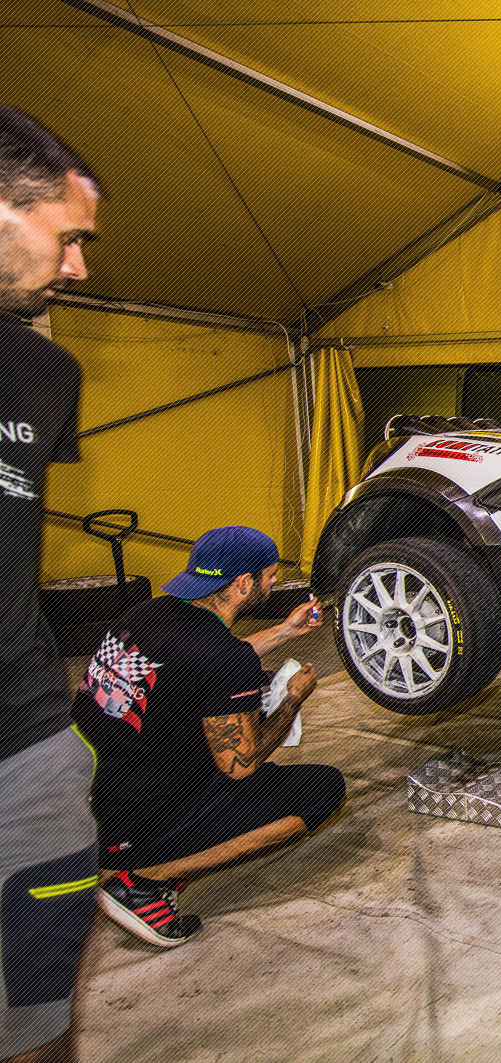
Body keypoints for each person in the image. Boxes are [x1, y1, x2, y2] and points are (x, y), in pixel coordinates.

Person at [70, 526, 344, 949]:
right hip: (133, 822)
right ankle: (143, 880)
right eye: (270, 576)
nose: (274, 583)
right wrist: (292, 700)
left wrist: (285, 632)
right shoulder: (223, 658)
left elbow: (205, 661)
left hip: (82, 803)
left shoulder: (145, 614)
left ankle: (140, 857)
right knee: (321, 789)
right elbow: (241, 765)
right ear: (243, 584)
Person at [0, 105, 101, 1063]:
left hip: (25, 728)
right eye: (67, 238)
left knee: (39, 995)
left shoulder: (44, 370)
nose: (79, 267)